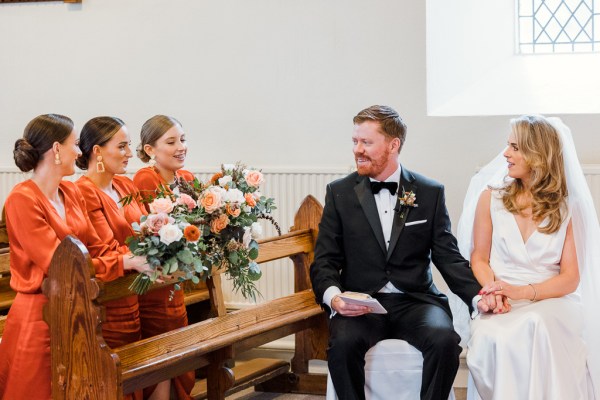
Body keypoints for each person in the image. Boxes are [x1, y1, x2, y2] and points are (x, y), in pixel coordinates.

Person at [309, 105, 489, 400]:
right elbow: (325, 259)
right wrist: (334, 297)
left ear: (394, 145)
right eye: (355, 141)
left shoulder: (430, 192)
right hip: (362, 303)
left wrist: (479, 296)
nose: (358, 150)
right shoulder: (339, 193)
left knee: (444, 340)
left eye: (366, 142)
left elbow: (447, 256)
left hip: (416, 301)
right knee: (342, 344)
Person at [0, 114, 151, 400]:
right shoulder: (22, 199)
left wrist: (132, 256)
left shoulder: (70, 190)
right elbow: (59, 266)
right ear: (56, 150)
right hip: (41, 315)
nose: (80, 152)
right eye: (75, 144)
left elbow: (94, 248)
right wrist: (123, 262)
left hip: (78, 308)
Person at [459, 115, 600, 400]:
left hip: (552, 299)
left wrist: (523, 292)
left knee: (536, 325)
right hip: (502, 299)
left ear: (538, 155)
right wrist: (495, 292)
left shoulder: (569, 207)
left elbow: (570, 278)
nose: (505, 154)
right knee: (490, 337)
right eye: (508, 145)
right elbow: (479, 258)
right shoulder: (491, 198)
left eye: (515, 147)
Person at [75, 116, 194, 400]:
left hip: (137, 290)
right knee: (121, 380)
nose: (130, 153)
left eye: (129, 146)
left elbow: (146, 230)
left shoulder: (125, 187)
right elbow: (101, 250)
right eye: (123, 146)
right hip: (110, 298)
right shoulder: (83, 192)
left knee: (154, 366)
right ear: (98, 152)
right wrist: (138, 256)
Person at [133, 115, 195, 398]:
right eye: (171, 142)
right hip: (156, 282)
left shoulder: (187, 178)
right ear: (149, 150)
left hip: (177, 279)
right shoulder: (146, 178)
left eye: (182, 139)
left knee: (177, 349)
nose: (180, 147)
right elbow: (150, 235)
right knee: (162, 351)